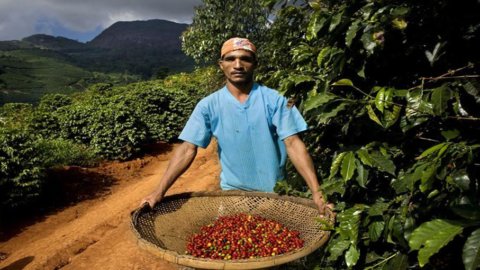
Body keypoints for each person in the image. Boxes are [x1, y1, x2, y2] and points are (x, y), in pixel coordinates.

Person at [141, 37, 330, 214]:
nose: (237, 65)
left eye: (245, 59)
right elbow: (187, 148)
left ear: (255, 64)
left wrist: (316, 191)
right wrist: (159, 191)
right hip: (233, 197)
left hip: (277, 195)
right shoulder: (208, 105)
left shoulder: (276, 100)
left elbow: (293, 143)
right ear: (221, 65)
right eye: (230, 59)